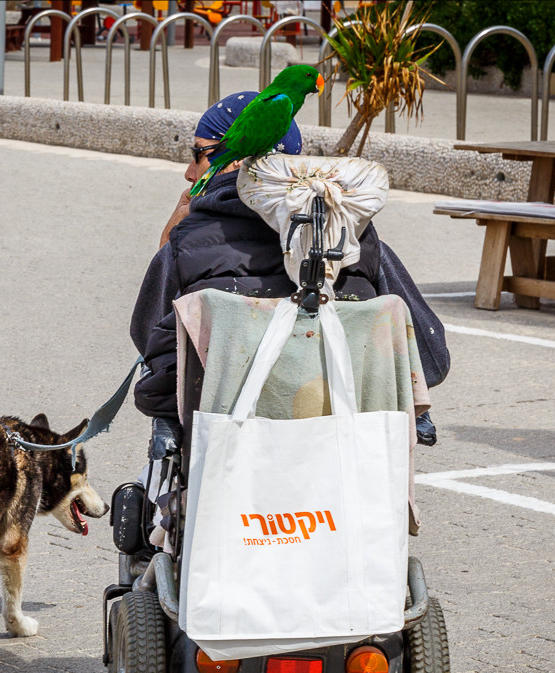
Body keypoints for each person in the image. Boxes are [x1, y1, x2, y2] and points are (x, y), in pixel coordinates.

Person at [131, 91, 448, 448]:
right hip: (343, 437)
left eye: (198, 154)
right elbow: (430, 355)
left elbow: (149, 338)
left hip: (227, 438)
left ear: (237, 160)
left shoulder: (189, 239)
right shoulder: (357, 239)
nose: (189, 172)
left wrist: (174, 236)